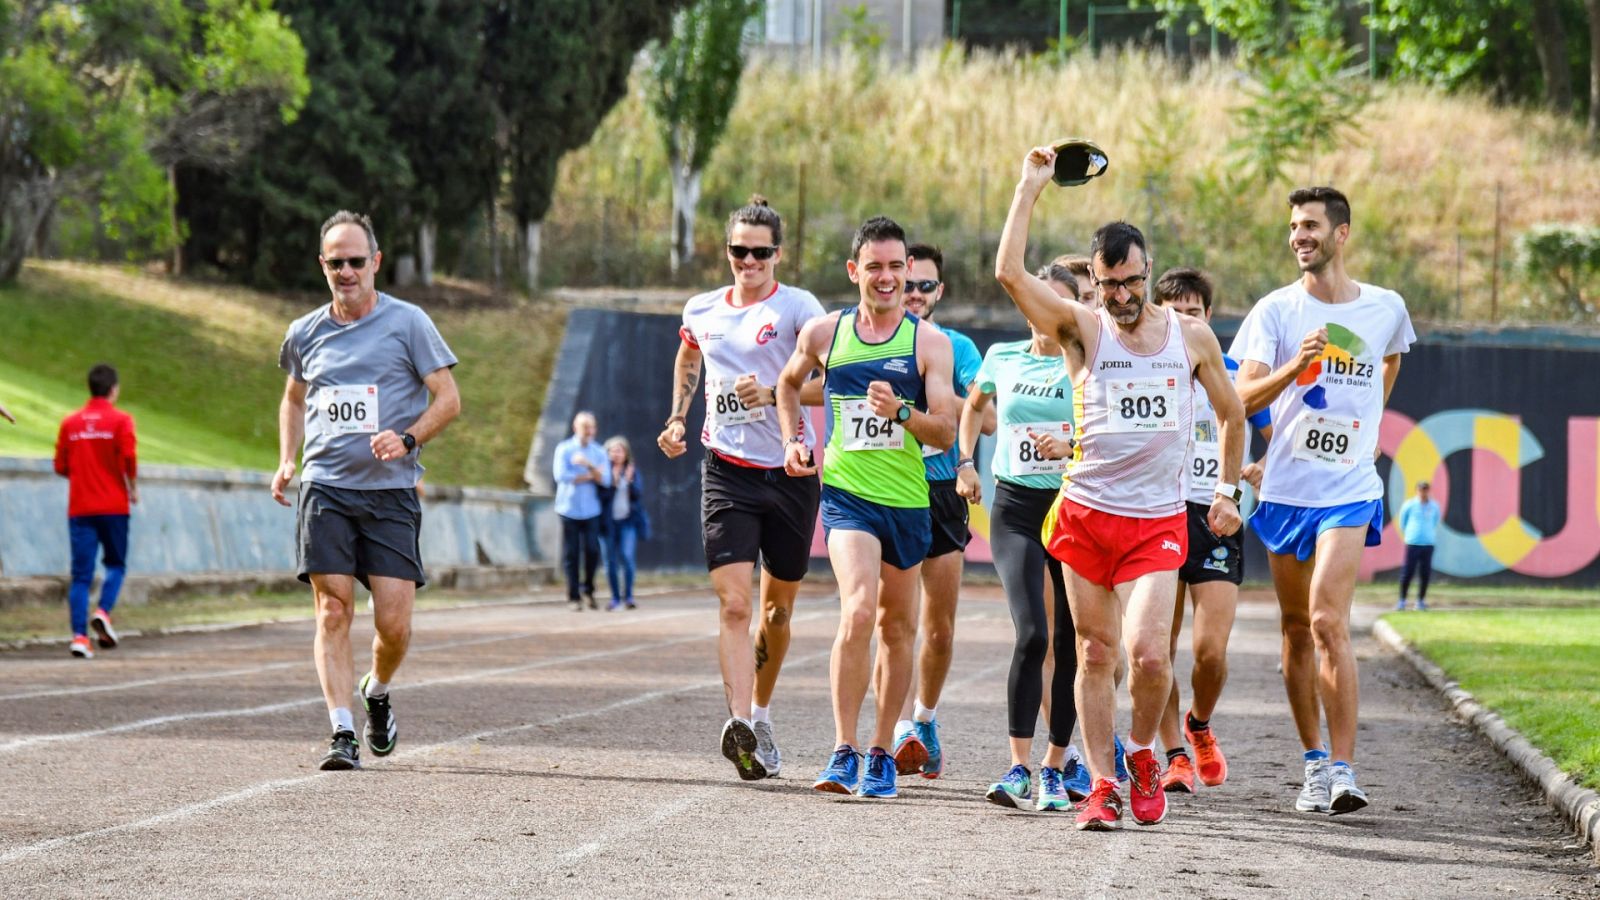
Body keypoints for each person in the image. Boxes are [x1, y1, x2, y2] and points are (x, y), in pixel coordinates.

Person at [996, 145, 1247, 831]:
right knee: (1096, 653)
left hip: (1157, 522)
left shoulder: (1191, 338)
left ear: (1147, 270)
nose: (1122, 297)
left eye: (1131, 283)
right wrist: (1030, 187)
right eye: (1108, 287)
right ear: (1095, 284)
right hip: (1084, 514)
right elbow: (1009, 272)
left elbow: (1233, 415)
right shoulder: (1082, 330)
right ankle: (1104, 782)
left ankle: (1141, 751)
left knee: (1148, 655)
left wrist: (1231, 492)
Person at [1233, 186, 1414, 815]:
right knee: (1293, 630)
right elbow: (1244, 399)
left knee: (1326, 619)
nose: (1298, 236)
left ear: (1341, 234)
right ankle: (1312, 761)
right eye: (1292, 227)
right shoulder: (1276, 312)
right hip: (1285, 491)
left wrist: (1363, 435)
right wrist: (1297, 369)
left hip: (1350, 488)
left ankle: (1344, 771)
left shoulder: (1387, 308)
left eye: (1309, 225)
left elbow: (1387, 364)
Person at [776, 216, 957, 799]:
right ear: (855, 271)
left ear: (908, 274)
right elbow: (786, 385)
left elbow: (947, 435)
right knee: (857, 610)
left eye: (895, 267)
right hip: (848, 495)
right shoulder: (826, 335)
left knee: (897, 626)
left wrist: (902, 414)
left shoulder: (928, 344)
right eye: (874, 266)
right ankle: (843, 749)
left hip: (907, 501)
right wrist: (793, 439)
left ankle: (881, 751)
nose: (885, 277)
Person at [273, 210, 461, 771]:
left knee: (393, 625)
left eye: (357, 261)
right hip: (326, 488)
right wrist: (287, 458)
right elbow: (293, 398)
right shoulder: (304, 332)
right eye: (337, 263)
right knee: (332, 611)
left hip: (389, 494)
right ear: (322, 266)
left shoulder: (409, 324)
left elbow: (448, 399)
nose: (347, 271)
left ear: (375, 262)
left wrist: (407, 438)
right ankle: (341, 732)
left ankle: (376, 690)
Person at [657, 196, 824, 781]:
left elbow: (828, 385)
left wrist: (778, 392)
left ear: (777, 254)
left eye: (759, 251)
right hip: (725, 469)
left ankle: (762, 711)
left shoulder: (800, 307)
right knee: (734, 602)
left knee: (776, 610)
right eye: (738, 250)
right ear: (726, 251)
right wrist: (678, 417)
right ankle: (739, 725)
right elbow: (688, 357)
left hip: (789, 472)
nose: (748, 260)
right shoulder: (702, 308)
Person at [959, 262, 1090, 811]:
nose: (1046, 312)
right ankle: (1017, 768)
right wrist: (965, 461)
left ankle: (1056, 767)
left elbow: (1106, 429)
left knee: (1071, 645)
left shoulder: (1088, 358)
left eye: (1058, 303)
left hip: (1073, 507)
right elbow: (973, 407)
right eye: (1039, 300)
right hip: (1015, 507)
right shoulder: (1001, 357)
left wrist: (1073, 449)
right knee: (1031, 633)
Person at [1151, 267, 1274, 795]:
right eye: (1173, 311)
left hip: (1217, 517)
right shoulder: (1144, 369)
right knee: (1156, 646)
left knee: (1210, 652)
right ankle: (1174, 755)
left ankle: (1198, 724)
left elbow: (1270, 430)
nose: (1183, 320)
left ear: (1208, 317)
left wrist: (1261, 468)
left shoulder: (1228, 373)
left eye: (1193, 311)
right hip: (1157, 515)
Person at [870, 243, 984, 781]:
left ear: (940, 293)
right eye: (909, 283)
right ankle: (889, 735)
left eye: (926, 287)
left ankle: (925, 720)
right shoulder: (869, 338)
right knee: (892, 622)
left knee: (937, 629)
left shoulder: (955, 347)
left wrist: (930, 408)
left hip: (941, 494)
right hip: (888, 488)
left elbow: (985, 420)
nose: (915, 294)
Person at [53, 364, 138, 659]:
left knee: (80, 576)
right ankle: (102, 611)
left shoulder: (70, 423)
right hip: (114, 506)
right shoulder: (122, 421)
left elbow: (60, 466)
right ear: (113, 389)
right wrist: (133, 487)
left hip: (80, 508)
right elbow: (128, 458)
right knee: (115, 565)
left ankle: (79, 637)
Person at [553, 411, 610, 610]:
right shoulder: (565, 449)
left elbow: (606, 480)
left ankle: (589, 590)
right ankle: (573, 596)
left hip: (592, 509)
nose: (589, 431)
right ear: (576, 428)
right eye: (585, 427)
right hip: (568, 508)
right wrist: (592, 475)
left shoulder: (598, 451)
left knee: (593, 551)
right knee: (571, 553)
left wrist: (586, 465)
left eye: (591, 427)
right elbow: (561, 476)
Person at [599, 436, 650, 610]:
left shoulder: (632, 471)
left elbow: (638, 494)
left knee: (627, 557)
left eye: (619, 450)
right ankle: (614, 598)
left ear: (626, 453)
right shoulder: (602, 472)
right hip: (608, 524)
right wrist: (612, 483)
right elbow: (600, 497)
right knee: (610, 561)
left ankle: (628, 596)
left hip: (628, 522)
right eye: (613, 451)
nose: (616, 454)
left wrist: (628, 482)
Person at [1396, 481, 1439, 611]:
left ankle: (1420, 601)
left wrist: (1428, 534)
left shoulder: (1434, 506)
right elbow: (1402, 523)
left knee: (1425, 574)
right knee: (1408, 572)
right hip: (1413, 543)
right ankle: (1402, 601)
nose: (1423, 492)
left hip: (1428, 543)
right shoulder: (1409, 505)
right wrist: (1410, 534)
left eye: (1425, 490)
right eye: (1421, 490)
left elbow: (1435, 521)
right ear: (1417, 491)